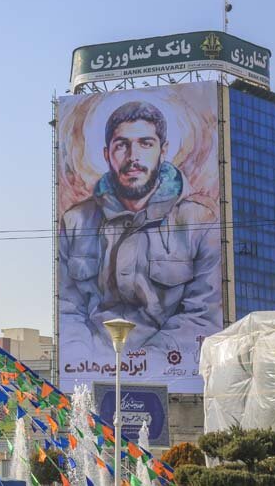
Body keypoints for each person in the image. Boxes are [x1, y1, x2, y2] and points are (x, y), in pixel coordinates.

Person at [59, 101, 222, 362]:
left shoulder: (199, 222)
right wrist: (87, 358)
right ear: (106, 154)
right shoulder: (76, 222)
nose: (133, 157)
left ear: (163, 150)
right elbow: (67, 308)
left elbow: (203, 313)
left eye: (145, 143)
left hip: (171, 370)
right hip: (92, 367)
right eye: (122, 145)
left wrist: (144, 361)